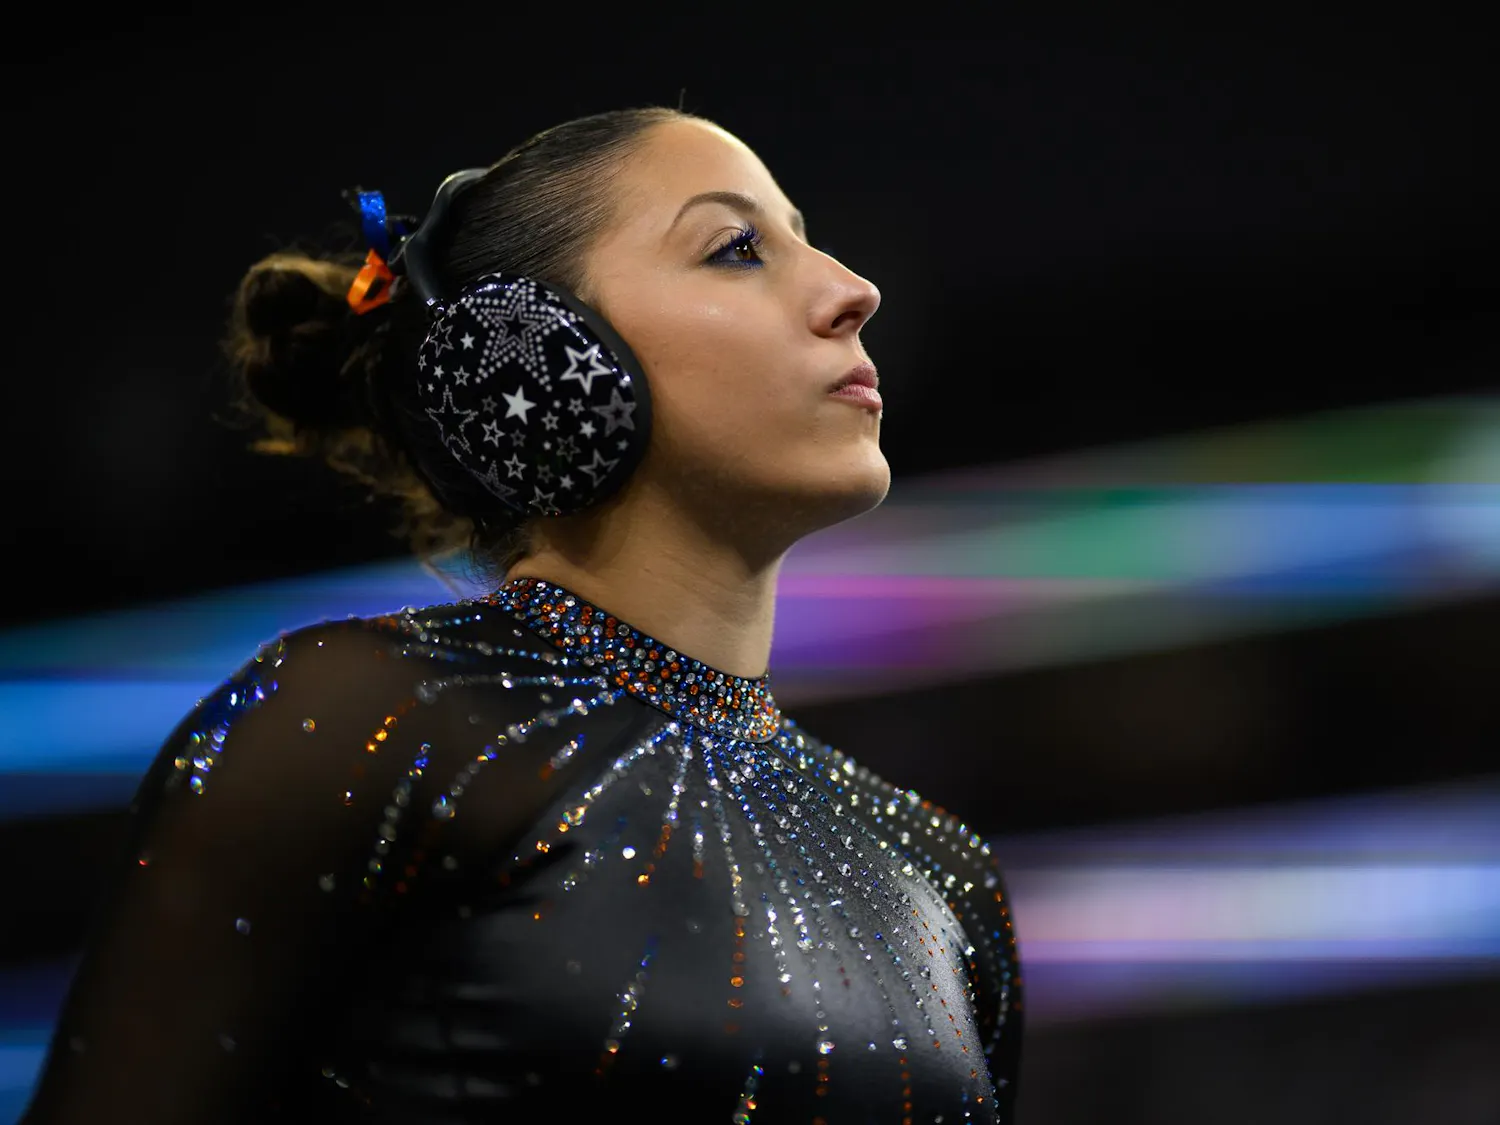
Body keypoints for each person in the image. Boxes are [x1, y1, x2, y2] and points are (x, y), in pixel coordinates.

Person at [20, 106, 1022, 1123]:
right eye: (736, 248)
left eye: (808, 242)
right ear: (531, 354)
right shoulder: (363, 723)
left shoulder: (938, 871)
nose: (854, 291)